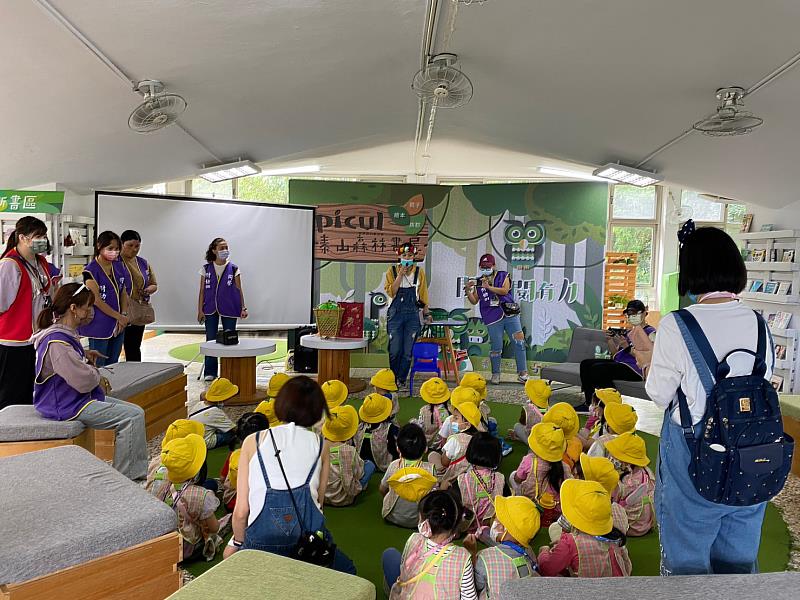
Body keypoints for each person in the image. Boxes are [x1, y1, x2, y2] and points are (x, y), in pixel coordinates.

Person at [646, 223, 775, 575]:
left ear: (691, 272)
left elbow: (658, 394)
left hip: (696, 455)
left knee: (686, 563)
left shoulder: (677, 324)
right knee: (738, 562)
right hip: (752, 455)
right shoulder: (759, 323)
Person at [225, 376, 355, 573]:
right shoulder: (321, 445)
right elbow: (319, 504)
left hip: (259, 544)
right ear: (317, 409)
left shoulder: (253, 441)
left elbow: (241, 511)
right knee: (349, 570)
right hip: (304, 543)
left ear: (282, 404)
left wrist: (238, 543)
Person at [31, 283, 147, 480]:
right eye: (88, 306)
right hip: (66, 405)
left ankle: (131, 475)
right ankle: (128, 480)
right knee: (130, 418)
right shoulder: (57, 341)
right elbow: (82, 381)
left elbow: (70, 364)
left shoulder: (61, 335)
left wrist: (84, 355)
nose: (91, 311)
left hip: (75, 399)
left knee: (136, 412)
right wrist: (96, 375)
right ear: (73, 308)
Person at [0, 217, 57, 409]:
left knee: (29, 393)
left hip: (37, 338)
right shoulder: (10, 264)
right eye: (38, 236)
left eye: (44, 235)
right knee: (11, 396)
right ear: (22, 237)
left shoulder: (40, 261)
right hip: (14, 342)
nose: (43, 240)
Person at [382, 490, 476, 599]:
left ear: (424, 521)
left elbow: (404, 572)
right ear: (456, 525)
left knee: (389, 554)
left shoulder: (414, 539)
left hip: (408, 593)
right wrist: (472, 552)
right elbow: (469, 598)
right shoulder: (462, 557)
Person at [150, 434, 230, 561]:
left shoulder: (162, 483)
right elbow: (214, 528)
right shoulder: (202, 495)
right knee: (223, 523)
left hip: (167, 541)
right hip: (187, 549)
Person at [538, 479, 632, 577]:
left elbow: (547, 569)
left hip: (587, 591)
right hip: (618, 587)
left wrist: (544, 551)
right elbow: (627, 566)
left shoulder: (570, 542)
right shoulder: (616, 535)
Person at [578, 299, 656, 410]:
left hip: (636, 368)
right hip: (622, 364)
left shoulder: (650, 332)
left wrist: (627, 347)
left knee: (598, 369)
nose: (632, 316)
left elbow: (650, 357)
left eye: (635, 313)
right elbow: (616, 355)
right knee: (586, 364)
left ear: (644, 313)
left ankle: (610, 405)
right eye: (629, 314)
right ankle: (589, 403)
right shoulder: (629, 333)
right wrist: (610, 340)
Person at [465, 253, 529, 385]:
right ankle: (495, 373)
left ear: (493, 265)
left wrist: (489, 287)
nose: (485, 269)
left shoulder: (503, 275)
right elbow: (474, 300)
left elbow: (505, 291)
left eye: (488, 266)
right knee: (496, 346)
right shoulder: (479, 282)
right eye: (483, 267)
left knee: (519, 342)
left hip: (510, 314)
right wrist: (467, 290)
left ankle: (522, 373)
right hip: (492, 317)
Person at [464, 496, 541, 598]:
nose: (495, 521)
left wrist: (472, 553)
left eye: (498, 518)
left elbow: (476, 585)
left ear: (504, 528)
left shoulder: (485, 557)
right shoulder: (529, 552)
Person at [383, 242, 432, 391]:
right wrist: (400, 275)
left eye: (410, 255)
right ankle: (392, 379)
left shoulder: (419, 272)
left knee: (407, 351)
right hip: (395, 315)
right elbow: (391, 292)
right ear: (399, 256)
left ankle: (401, 379)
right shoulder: (391, 271)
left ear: (414, 257)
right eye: (404, 255)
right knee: (395, 350)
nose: (407, 258)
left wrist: (426, 313)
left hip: (412, 316)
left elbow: (423, 294)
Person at [198, 237, 248, 381]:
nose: (225, 251)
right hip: (210, 309)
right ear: (214, 250)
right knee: (211, 339)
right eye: (221, 248)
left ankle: (230, 370)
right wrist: (200, 310)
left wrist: (243, 307)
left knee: (230, 338)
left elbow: (239, 289)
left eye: (226, 247)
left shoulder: (234, 268)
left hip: (230, 307)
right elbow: (202, 291)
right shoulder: (205, 268)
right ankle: (211, 371)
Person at [80, 230, 129, 367]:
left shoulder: (119, 266)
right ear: (99, 247)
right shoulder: (90, 271)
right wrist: (119, 317)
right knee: (99, 364)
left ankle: (111, 388)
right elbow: (96, 300)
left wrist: (123, 315)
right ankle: (97, 389)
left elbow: (123, 291)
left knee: (113, 363)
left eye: (117, 249)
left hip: (119, 322)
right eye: (110, 248)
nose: (114, 252)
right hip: (99, 324)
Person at [509, 422, 570, 527]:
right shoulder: (564, 467)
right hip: (555, 510)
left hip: (531, 504)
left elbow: (518, 479)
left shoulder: (528, 460)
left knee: (512, 476)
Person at [381, 423, 437, 528]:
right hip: (418, 520)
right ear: (425, 449)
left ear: (398, 449)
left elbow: (382, 489)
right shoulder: (431, 469)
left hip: (392, 515)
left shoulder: (394, 465)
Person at [455, 432, 504, 539]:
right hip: (491, 524)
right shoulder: (500, 478)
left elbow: (456, 505)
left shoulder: (462, 479)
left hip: (467, 525)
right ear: (497, 456)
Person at [323, 404, 374, 506]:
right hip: (346, 498)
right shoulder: (349, 451)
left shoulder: (318, 446)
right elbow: (358, 473)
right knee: (369, 465)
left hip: (323, 495)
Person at [605, 433, 655, 537]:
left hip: (631, 526)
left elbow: (611, 500)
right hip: (645, 523)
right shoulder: (645, 471)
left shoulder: (626, 482)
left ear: (626, 461)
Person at [119, 230, 157, 362]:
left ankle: (135, 374)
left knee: (134, 346)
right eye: (130, 245)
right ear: (122, 244)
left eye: (137, 246)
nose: (134, 249)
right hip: (119, 310)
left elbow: (154, 284)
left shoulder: (143, 263)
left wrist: (147, 290)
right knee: (117, 346)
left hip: (138, 309)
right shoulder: (115, 262)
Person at [429, 400, 485, 486]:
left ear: (467, 425)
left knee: (432, 455)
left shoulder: (455, 440)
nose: (452, 420)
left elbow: (445, 462)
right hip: (471, 476)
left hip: (453, 475)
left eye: (456, 418)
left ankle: (441, 478)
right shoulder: (480, 439)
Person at [220, 412, 269, 511]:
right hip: (258, 505)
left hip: (232, 504)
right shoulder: (269, 455)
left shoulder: (234, 455)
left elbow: (222, 478)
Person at [187, 378, 237, 449]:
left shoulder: (199, 404)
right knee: (230, 434)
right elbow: (234, 428)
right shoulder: (215, 412)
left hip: (194, 438)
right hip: (204, 442)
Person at [356, 393, 399, 472]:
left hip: (362, 463)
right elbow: (393, 448)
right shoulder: (389, 428)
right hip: (383, 465)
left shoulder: (360, 427)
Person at [414, 376, 452, 448]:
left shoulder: (424, 410)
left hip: (427, 442)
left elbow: (421, 426)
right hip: (445, 442)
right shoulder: (450, 409)